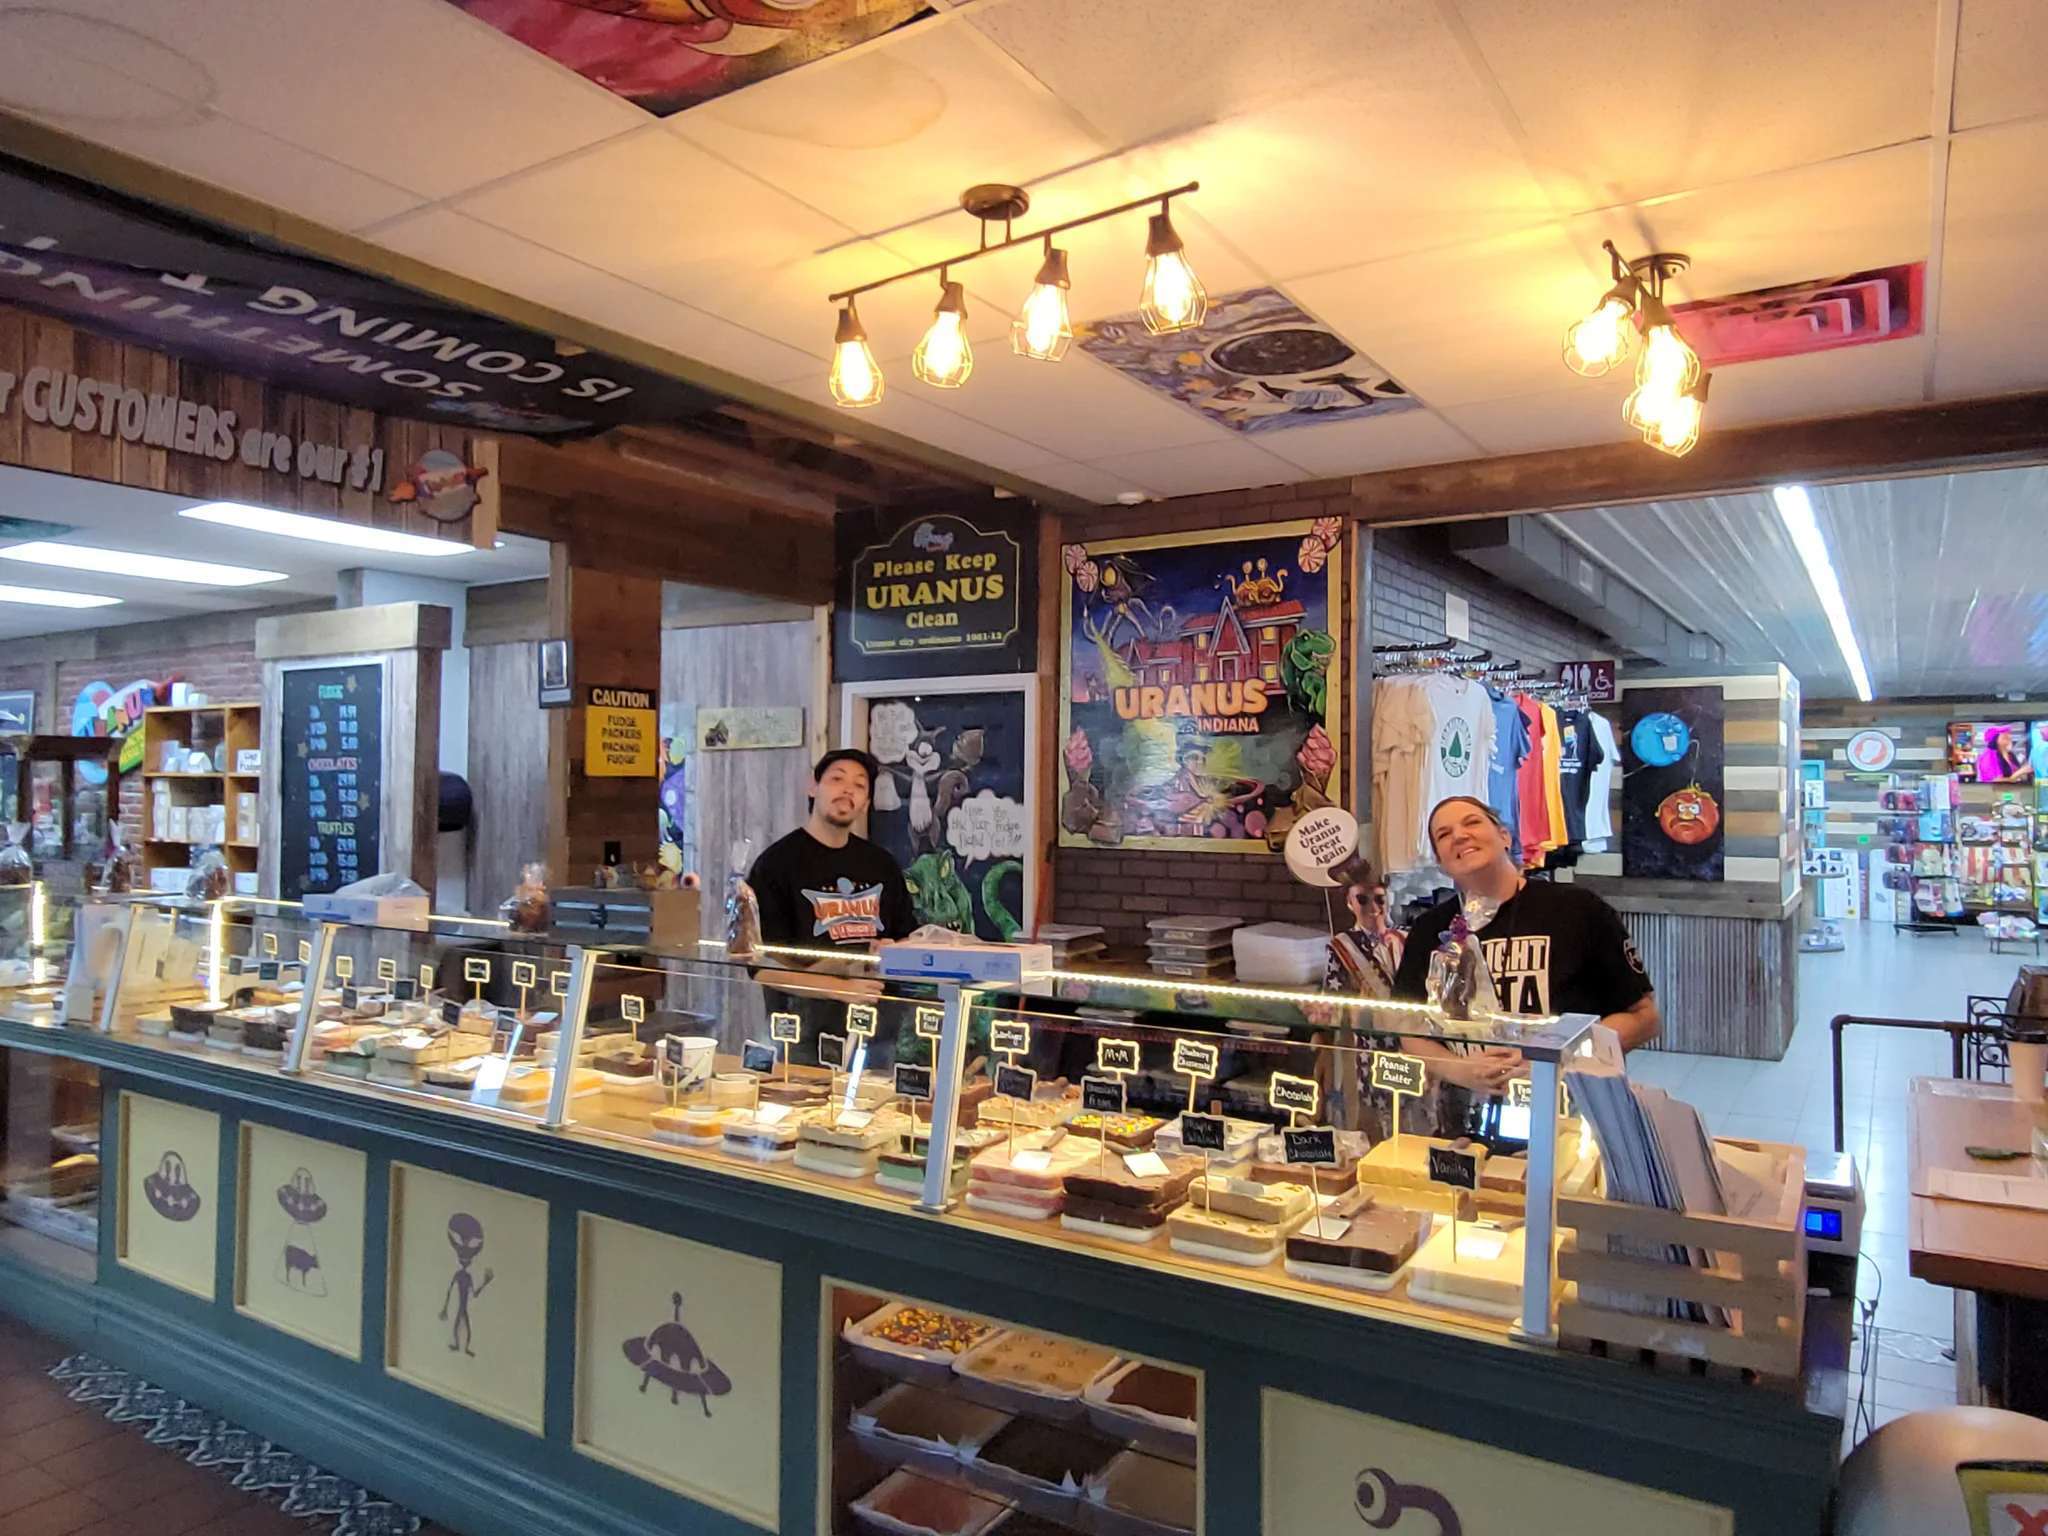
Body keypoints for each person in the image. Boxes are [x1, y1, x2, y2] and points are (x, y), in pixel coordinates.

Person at [1389, 795, 1660, 1127]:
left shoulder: (1579, 910)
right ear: (1440, 861)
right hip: (1464, 1126)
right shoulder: (1429, 930)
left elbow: (1644, 1019)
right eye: (1444, 834)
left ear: (1505, 836)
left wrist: (1553, 1057)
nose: (1459, 835)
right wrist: (1462, 1069)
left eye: (1472, 822)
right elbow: (1409, 1030)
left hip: (1570, 1118)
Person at [746, 748, 916, 1063]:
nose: (848, 789)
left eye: (860, 785)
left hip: (877, 1029)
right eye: (837, 779)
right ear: (813, 787)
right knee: (800, 1110)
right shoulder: (775, 865)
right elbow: (762, 968)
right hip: (801, 1033)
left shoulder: (882, 864)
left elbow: (907, 936)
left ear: (865, 803)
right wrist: (839, 987)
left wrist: (894, 948)